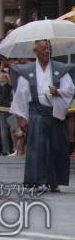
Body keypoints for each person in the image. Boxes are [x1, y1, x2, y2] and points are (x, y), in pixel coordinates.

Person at [8, 39, 75, 192]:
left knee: (56, 148)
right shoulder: (28, 71)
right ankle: (39, 181)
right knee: (38, 148)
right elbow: (21, 94)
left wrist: (57, 92)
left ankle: (54, 180)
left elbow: (70, 90)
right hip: (36, 112)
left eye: (48, 49)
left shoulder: (60, 69)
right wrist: (21, 116)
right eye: (43, 49)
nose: (46, 52)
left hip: (54, 112)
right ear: (35, 51)